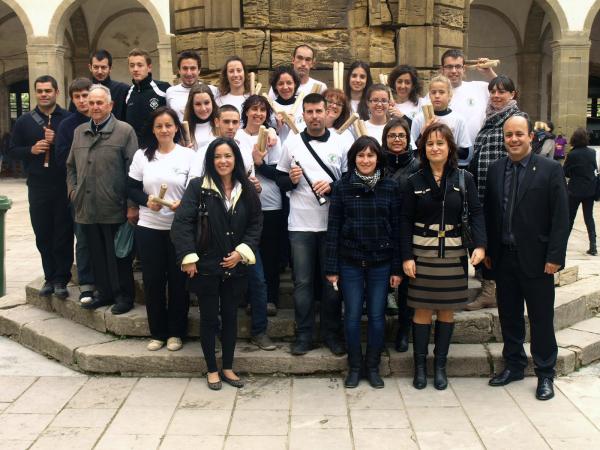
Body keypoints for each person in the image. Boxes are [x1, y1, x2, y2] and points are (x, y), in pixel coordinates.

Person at [485, 115, 569, 401]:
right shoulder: (496, 170)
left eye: (519, 134)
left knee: (541, 318)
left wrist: (555, 255)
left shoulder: (549, 170)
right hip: (504, 258)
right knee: (509, 316)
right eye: (509, 135)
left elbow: (561, 217)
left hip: (538, 259)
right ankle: (514, 365)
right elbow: (490, 213)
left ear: (530, 136)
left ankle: (545, 373)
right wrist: (488, 251)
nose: (514, 139)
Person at [171, 138, 263, 390]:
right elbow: (182, 224)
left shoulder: (247, 188)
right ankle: (212, 368)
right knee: (209, 318)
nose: (223, 161)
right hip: (206, 266)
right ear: (210, 160)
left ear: (236, 160)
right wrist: (188, 257)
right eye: (217, 156)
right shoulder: (198, 187)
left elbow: (255, 224)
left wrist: (241, 253)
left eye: (228, 156)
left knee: (231, 317)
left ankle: (229, 367)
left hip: (236, 266)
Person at [400, 123, 486, 390]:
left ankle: (440, 367)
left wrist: (480, 246)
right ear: (423, 149)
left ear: (450, 147)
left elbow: (476, 213)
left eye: (440, 143)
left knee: (447, 312)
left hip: (453, 254)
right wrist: (406, 256)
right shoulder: (412, 181)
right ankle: (420, 368)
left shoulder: (464, 178)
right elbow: (403, 221)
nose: (435, 148)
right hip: (421, 254)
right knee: (422, 311)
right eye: (429, 144)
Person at [325, 136, 402, 389]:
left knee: (378, 317)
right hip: (350, 262)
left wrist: (396, 267)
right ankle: (355, 367)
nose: (366, 160)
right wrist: (332, 267)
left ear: (378, 158)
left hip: (381, 262)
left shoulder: (390, 186)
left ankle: (373, 366)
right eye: (361, 155)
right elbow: (334, 227)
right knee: (352, 315)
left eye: (370, 155)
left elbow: (397, 230)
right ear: (353, 158)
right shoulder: (342, 186)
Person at [276, 93, 348, 356]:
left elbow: (351, 181)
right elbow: (280, 180)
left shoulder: (340, 143)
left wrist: (332, 186)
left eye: (319, 111)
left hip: (332, 225)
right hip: (300, 225)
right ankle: (304, 334)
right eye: (310, 112)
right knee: (303, 283)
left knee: (331, 283)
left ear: (327, 112)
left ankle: (331, 333)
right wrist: (292, 180)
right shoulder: (292, 143)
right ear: (303, 114)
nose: (315, 116)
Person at [67, 84, 138, 314]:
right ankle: (104, 293)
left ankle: (124, 297)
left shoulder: (125, 131)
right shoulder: (79, 132)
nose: (95, 107)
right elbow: (70, 167)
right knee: (97, 254)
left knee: (119, 255)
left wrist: (131, 205)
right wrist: (73, 191)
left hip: (114, 205)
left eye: (100, 102)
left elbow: (133, 171)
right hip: (87, 207)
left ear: (110, 105)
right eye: (92, 102)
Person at [127, 107, 194, 352]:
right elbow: (131, 188)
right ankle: (158, 332)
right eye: (159, 126)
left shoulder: (188, 156)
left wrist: (184, 205)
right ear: (153, 130)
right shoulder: (142, 156)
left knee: (178, 282)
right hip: (149, 227)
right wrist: (147, 202)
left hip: (179, 230)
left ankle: (176, 332)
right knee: (153, 282)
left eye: (168, 125)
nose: (164, 130)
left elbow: (196, 191)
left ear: (176, 128)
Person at [8, 75, 72, 299]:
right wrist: (31, 150)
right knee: (43, 233)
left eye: (48, 90)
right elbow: (12, 150)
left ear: (56, 92)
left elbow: (75, 149)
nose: (44, 94)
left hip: (62, 184)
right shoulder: (25, 121)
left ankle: (62, 279)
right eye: (40, 91)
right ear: (36, 93)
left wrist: (58, 141)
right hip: (37, 185)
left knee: (63, 233)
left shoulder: (67, 119)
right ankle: (49, 277)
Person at [466, 75, 524, 311]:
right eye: (493, 91)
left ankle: (495, 290)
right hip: (482, 192)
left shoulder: (515, 119)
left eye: (502, 91)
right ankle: (490, 287)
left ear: (513, 95)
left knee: (498, 241)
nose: (496, 95)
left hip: (503, 192)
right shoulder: (489, 120)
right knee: (485, 240)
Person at [236, 95, 280, 348]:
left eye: (263, 110)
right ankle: (247, 301)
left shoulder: (273, 137)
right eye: (253, 109)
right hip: (240, 212)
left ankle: (264, 307)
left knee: (266, 261)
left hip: (269, 205)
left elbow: (281, 170)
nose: (258, 113)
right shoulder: (237, 139)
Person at [55, 78, 95, 303]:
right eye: (77, 96)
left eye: (85, 95)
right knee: (83, 237)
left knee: (104, 238)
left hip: (105, 190)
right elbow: (62, 159)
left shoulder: (108, 120)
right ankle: (87, 283)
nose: (82, 100)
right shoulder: (67, 125)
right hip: (80, 191)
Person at [381, 118, 420, 352]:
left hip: (408, 229)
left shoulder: (417, 165)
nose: (397, 140)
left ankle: (404, 329)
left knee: (407, 285)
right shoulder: (377, 164)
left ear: (408, 139)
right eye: (392, 136)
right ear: (385, 139)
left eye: (401, 136)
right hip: (382, 228)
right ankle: (381, 329)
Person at [411, 75, 472, 166]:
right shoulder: (419, 119)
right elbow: (412, 151)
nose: (437, 96)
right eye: (433, 92)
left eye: (441, 92)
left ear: (450, 95)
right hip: (425, 167)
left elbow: (465, 153)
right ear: (429, 95)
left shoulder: (458, 119)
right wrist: (423, 133)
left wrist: (445, 143)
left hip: (450, 168)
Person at [440, 49, 497, 144]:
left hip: (479, 152)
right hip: (449, 153)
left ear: (464, 69)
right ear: (442, 69)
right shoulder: (434, 95)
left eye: (458, 66)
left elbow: (506, 92)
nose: (454, 71)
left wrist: (489, 72)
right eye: (449, 67)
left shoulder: (479, 87)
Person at [124, 48, 170, 147]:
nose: (135, 69)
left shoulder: (163, 89)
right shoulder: (128, 92)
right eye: (132, 65)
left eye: (140, 65)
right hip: (135, 151)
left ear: (149, 67)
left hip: (158, 149)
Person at [563, 127, 598, 256]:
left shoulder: (572, 154)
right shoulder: (592, 152)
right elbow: (594, 168)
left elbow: (565, 172)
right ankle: (593, 245)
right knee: (589, 217)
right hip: (590, 189)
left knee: (570, 218)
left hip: (575, 190)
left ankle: (563, 244)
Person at [166, 50, 218, 121]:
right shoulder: (170, 92)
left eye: (193, 68)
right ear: (179, 70)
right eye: (185, 68)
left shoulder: (213, 90)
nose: (189, 73)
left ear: (199, 70)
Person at [86, 49, 129, 121]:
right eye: (96, 67)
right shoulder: (83, 90)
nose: (99, 71)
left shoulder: (122, 90)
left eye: (103, 67)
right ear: (90, 67)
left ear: (110, 68)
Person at [271, 65, 303, 145]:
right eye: (281, 83)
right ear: (275, 86)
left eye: (289, 83)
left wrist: (294, 125)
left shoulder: (303, 105)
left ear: (295, 84)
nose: (285, 87)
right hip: (277, 154)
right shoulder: (270, 106)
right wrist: (278, 127)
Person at [183, 83, 217, 150]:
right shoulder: (184, 130)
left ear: (212, 102)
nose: (203, 108)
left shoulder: (222, 124)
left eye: (206, 103)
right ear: (191, 106)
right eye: (198, 104)